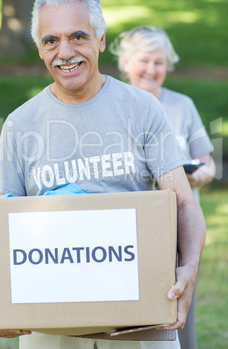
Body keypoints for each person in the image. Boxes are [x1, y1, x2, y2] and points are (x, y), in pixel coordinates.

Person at [0, 0, 206, 349]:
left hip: (139, 318)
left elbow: (183, 203)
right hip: (49, 324)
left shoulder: (142, 109)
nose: (64, 53)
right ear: (39, 48)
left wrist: (188, 268)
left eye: (78, 36)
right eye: (51, 41)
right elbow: (2, 224)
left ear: (100, 39)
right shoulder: (21, 124)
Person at [110, 25, 216, 349]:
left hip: (179, 219)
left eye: (160, 63)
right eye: (145, 60)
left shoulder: (183, 105)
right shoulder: (114, 104)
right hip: (133, 223)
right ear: (125, 61)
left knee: (180, 292)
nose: (152, 70)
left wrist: (197, 176)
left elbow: (208, 162)